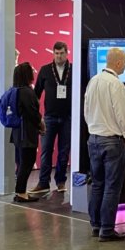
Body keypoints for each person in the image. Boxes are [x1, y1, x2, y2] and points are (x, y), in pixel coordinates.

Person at [84, 48, 125, 242]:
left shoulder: (93, 81)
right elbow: (122, 112)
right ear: (119, 62)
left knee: (97, 183)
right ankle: (107, 229)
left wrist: (93, 128)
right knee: (112, 186)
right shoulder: (116, 84)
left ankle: (96, 224)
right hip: (112, 141)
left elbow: (87, 110)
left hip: (94, 138)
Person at [31, 41, 72, 194]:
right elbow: (36, 94)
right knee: (46, 150)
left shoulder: (73, 69)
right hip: (49, 117)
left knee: (64, 151)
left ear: (66, 53)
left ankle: (61, 181)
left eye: (61, 53)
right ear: (53, 53)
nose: (59, 56)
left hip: (68, 117)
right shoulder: (45, 70)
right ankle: (43, 182)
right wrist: (37, 115)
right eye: (56, 53)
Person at [10, 62, 45, 203]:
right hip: (27, 133)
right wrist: (41, 125)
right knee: (27, 162)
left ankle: (20, 191)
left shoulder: (15, 90)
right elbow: (33, 113)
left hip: (18, 132)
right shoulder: (27, 92)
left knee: (22, 162)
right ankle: (21, 192)